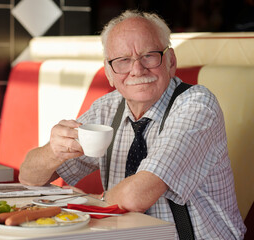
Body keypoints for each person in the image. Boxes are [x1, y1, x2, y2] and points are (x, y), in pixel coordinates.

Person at [19, 10, 246, 239]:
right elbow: (28, 177)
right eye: (123, 60)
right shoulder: (107, 108)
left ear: (170, 61)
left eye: (149, 55)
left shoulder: (196, 104)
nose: (137, 70)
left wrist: (89, 202)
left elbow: (138, 195)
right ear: (109, 72)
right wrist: (53, 151)